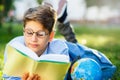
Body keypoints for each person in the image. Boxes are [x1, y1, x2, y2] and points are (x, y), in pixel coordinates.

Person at [3, 5, 116, 80]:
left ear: (51, 35)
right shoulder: (14, 47)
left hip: (79, 56)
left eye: (40, 34)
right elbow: (8, 76)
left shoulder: (60, 49)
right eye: (29, 32)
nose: (33, 39)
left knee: (95, 70)